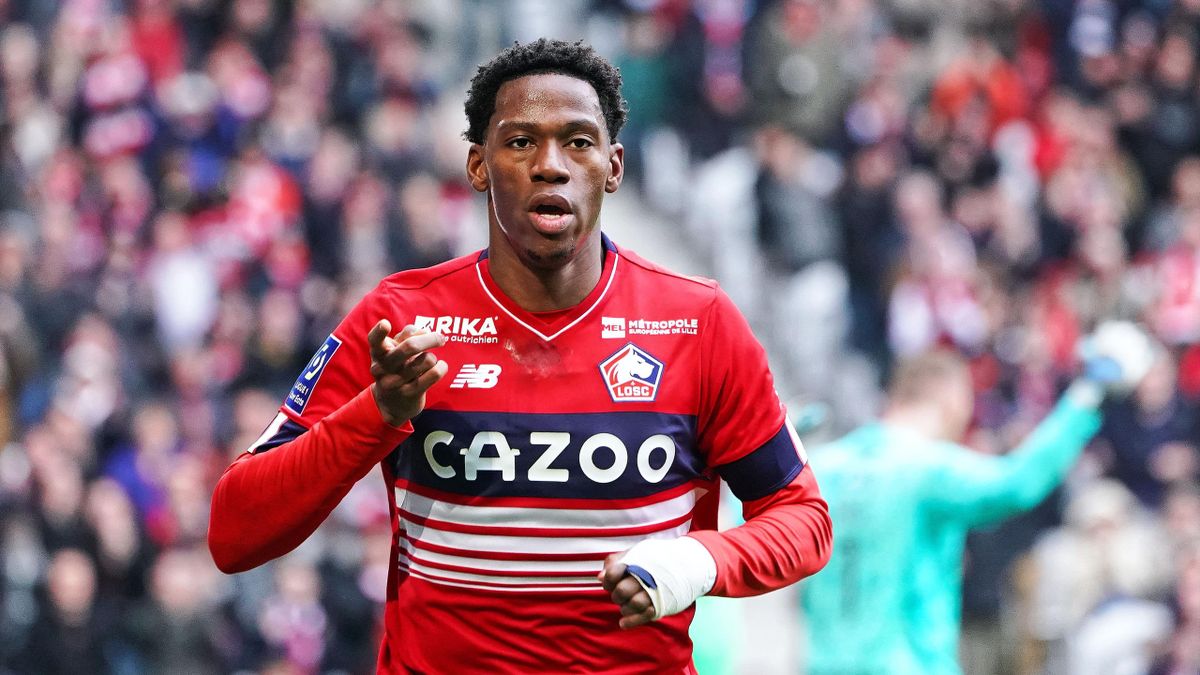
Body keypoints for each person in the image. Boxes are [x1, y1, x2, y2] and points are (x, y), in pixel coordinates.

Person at [208, 38, 833, 674]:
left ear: (614, 167)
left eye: (578, 142)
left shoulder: (697, 323)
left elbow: (803, 518)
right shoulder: (400, 320)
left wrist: (701, 560)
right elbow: (234, 532)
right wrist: (377, 412)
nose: (550, 166)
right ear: (478, 166)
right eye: (520, 142)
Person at [799, 322, 1158, 675]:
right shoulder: (924, 468)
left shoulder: (825, 466)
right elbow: (1017, 484)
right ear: (953, 399)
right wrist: (1088, 392)